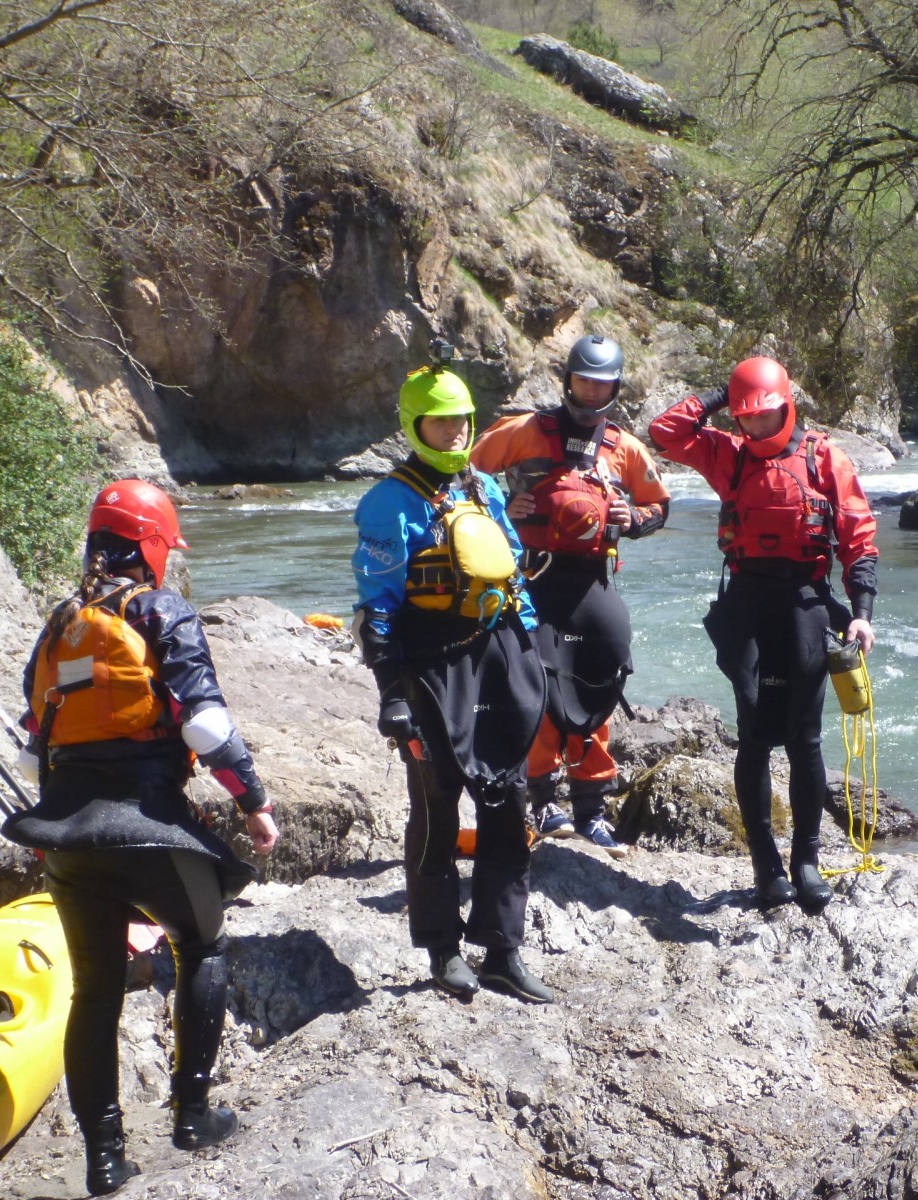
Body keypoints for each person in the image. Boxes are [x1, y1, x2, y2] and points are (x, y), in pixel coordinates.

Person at [2, 479, 278, 1197]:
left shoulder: (60, 624)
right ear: (152, 545)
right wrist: (254, 801)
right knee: (203, 943)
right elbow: (206, 727)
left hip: (65, 834)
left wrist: (53, 830)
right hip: (146, 827)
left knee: (94, 991)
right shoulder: (162, 609)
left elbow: (35, 750)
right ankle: (192, 1114)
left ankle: (105, 1159)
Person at [352, 353, 553, 1004]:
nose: (456, 431)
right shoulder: (388, 505)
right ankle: (442, 950)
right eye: (440, 423)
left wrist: (529, 653)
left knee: (509, 803)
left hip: (496, 656)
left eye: (462, 420)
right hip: (430, 667)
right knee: (437, 809)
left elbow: (513, 577)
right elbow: (376, 610)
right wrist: (392, 695)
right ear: (415, 426)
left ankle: (502, 949)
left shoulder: (484, 488)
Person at [649, 357, 877, 913]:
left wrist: (862, 610)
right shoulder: (728, 454)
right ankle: (765, 865)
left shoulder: (825, 458)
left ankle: (806, 859)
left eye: (765, 417)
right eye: (746, 419)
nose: (754, 429)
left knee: (804, 737)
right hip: (748, 603)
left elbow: (858, 535)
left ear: (786, 406)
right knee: (753, 730)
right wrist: (720, 396)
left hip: (806, 602)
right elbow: (665, 432)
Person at [470, 334, 670, 855]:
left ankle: (590, 809)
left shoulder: (623, 447)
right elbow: (465, 475)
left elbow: (658, 506)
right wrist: (499, 506)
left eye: (601, 384)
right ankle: (542, 801)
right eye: (583, 381)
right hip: (531, 579)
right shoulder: (522, 431)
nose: (590, 391)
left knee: (595, 688)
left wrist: (635, 520)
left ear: (614, 388)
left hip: (590, 581)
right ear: (567, 381)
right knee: (535, 691)